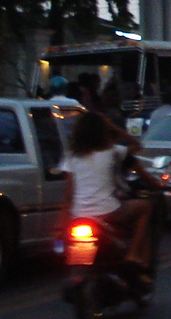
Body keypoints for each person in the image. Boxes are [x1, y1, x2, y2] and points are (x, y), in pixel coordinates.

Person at [58, 108, 157, 279]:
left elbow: (69, 194)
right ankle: (133, 254)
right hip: (109, 211)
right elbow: (137, 145)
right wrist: (114, 127)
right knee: (144, 207)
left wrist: (62, 223)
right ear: (103, 131)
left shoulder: (71, 157)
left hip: (79, 215)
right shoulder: (112, 152)